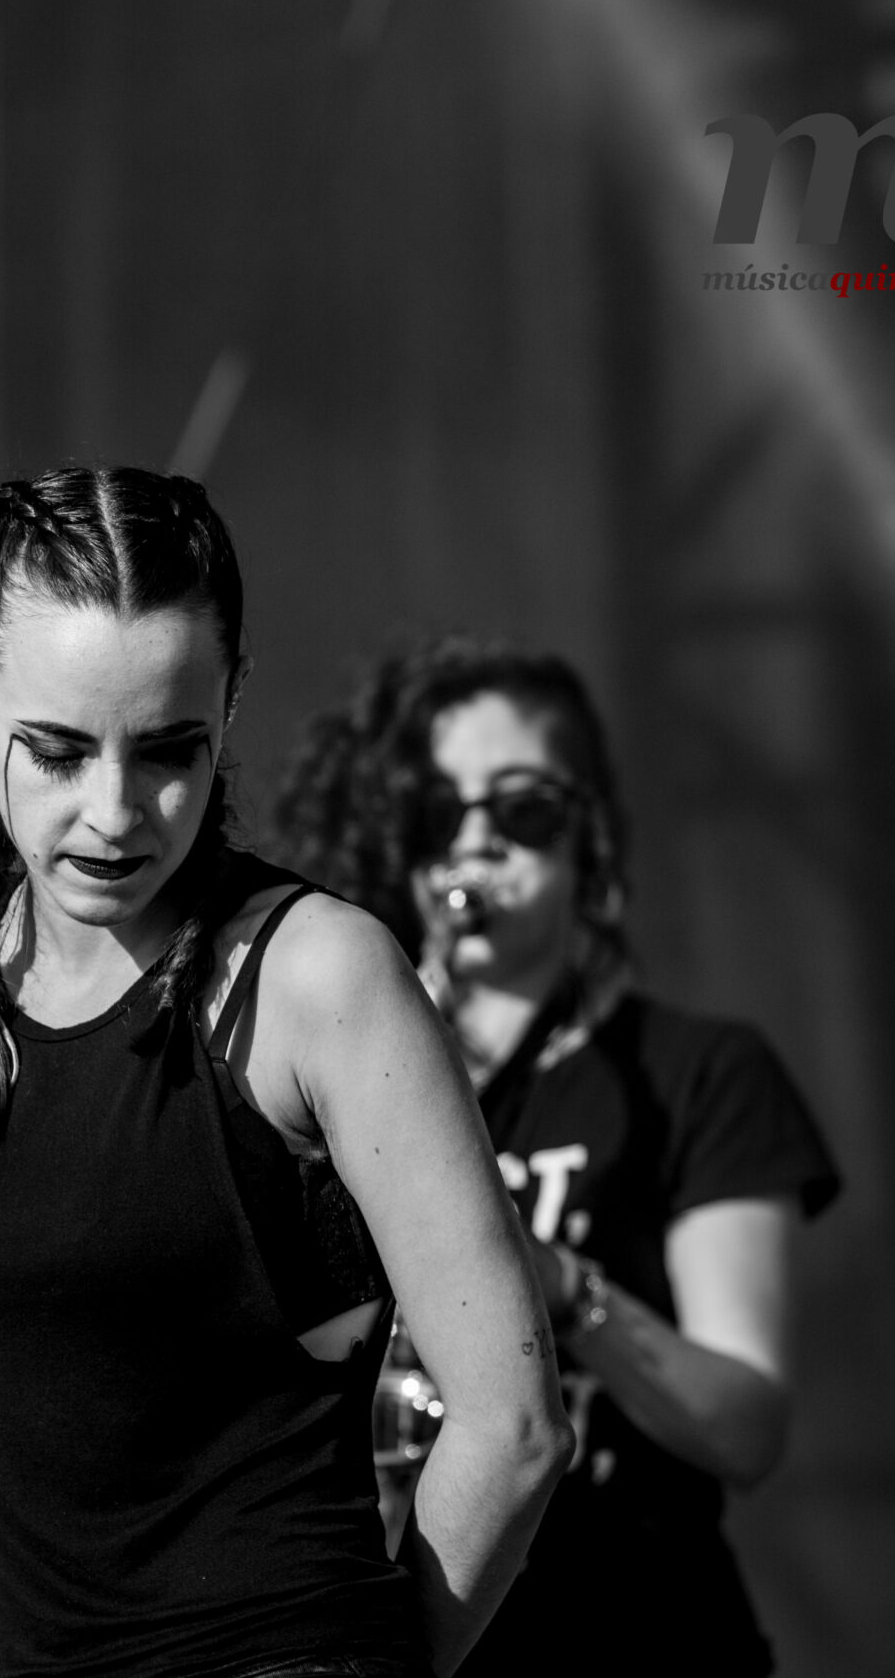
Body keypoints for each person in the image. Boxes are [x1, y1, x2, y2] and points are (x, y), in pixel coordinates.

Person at [0, 470, 573, 1678]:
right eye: (57, 752)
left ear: (231, 702)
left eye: (167, 750)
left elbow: (512, 1426)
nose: (114, 812)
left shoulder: (320, 977)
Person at [274, 637, 842, 1678]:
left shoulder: (699, 1072)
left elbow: (746, 1427)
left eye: (522, 810)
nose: (474, 843)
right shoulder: (346, 1073)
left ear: (592, 836)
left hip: (640, 1632)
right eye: (437, 813)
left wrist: (552, 1283)